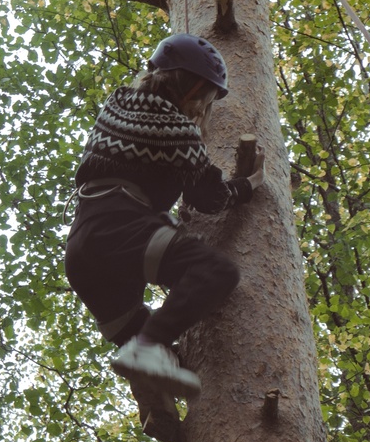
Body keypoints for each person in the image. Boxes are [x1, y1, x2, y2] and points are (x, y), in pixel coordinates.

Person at [65, 33, 264, 404]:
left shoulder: (117, 102)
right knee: (215, 272)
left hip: (82, 249)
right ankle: (146, 351)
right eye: (206, 100)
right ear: (196, 90)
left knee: (148, 340)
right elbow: (210, 198)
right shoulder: (177, 131)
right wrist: (248, 185)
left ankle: (156, 392)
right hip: (119, 230)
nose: (203, 110)